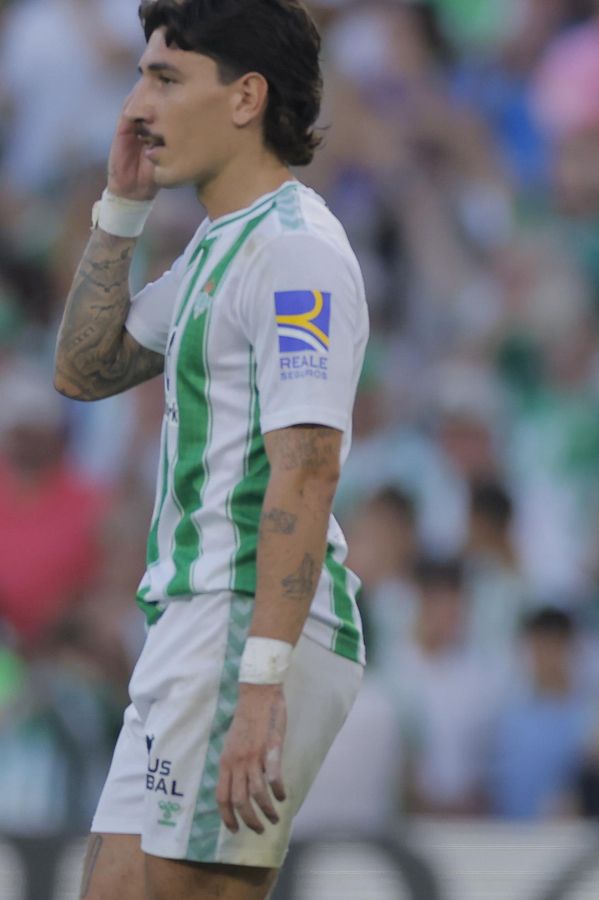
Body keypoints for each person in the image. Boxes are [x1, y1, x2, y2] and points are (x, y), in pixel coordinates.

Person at [51, 2, 369, 897]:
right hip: (192, 626)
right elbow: (84, 369)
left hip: (244, 623)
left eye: (164, 78)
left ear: (245, 98)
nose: (137, 106)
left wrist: (260, 681)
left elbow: (308, 464)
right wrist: (120, 210)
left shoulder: (296, 254)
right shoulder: (216, 248)